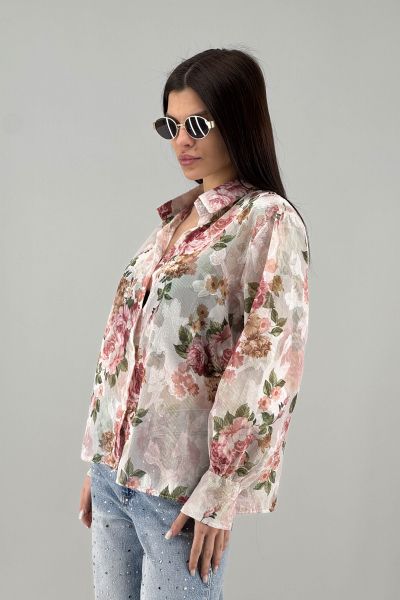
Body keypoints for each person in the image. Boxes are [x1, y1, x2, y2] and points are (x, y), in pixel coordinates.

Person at [78, 47, 311, 600]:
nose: (181, 140)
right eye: (171, 126)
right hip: (114, 480)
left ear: (238, 120)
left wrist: (221, 493)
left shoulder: (267, 220)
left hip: (181, 496)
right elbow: (125, 345)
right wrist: (100, 457)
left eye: (198, 125)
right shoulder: (176, 220)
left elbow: (266, 364)